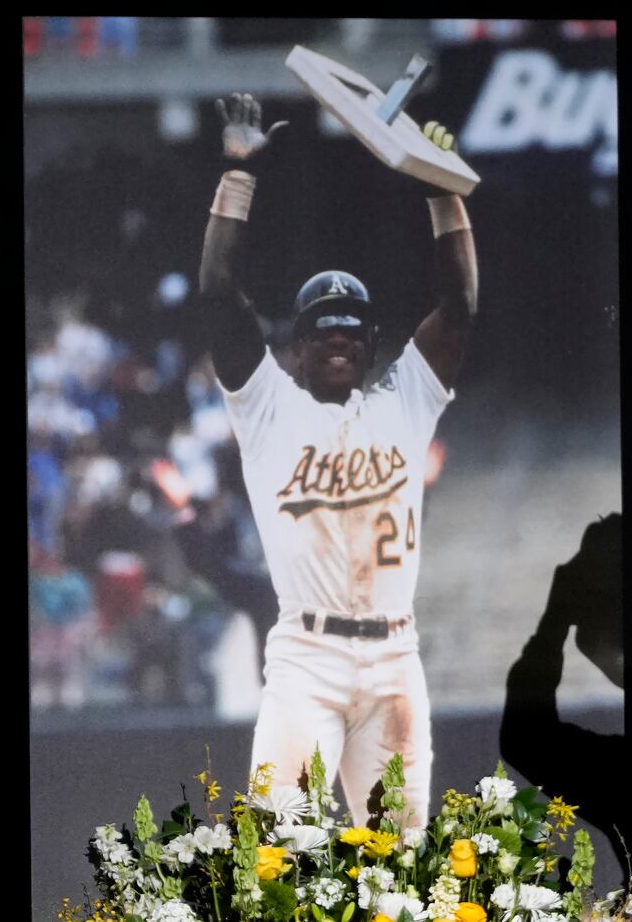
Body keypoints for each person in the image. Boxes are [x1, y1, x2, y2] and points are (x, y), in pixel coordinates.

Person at [199, 93, 478, 826]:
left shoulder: (405, 401)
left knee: (402, 867)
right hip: (307, 656)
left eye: (352, 330)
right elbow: (218, 295)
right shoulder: (265, 406)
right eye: (322, 329)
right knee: (280, 847)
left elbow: (460, 300)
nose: (338, 339)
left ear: (372, 342)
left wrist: (439, 188)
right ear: (293, 345)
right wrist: (238, 179)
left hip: (394, 657)